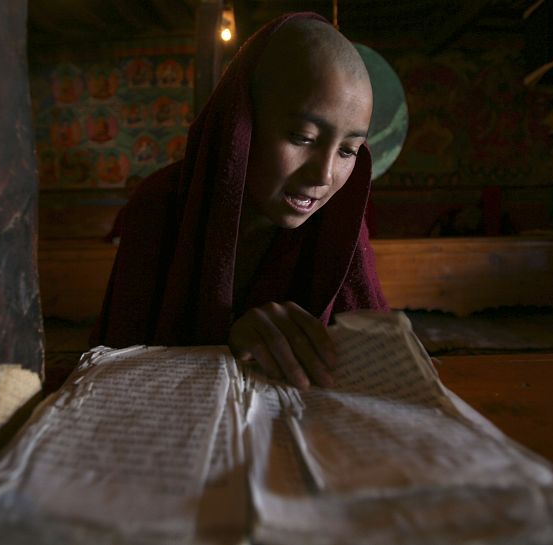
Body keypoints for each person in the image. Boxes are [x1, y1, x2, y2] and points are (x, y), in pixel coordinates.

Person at [91, 12, 387, 389]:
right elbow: (114, 368)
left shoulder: (339, 224)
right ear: (241, 124)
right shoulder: (161, 205)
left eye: (348, 151)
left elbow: (374, 360)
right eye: (303, 138)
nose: (324, 176)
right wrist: (225, 342)